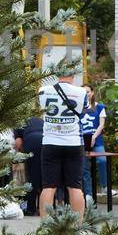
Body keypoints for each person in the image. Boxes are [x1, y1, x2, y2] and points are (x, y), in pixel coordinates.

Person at [37, 73, 86, 217]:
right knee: (75, 187)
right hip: (73, 142)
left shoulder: (43, 90)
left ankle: (46, 227)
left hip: (50, 141)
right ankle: (77, 227)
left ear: (57, 73)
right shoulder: (81, 92)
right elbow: (83, 111)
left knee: (48, 187)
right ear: (74, 75)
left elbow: (40, 111)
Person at [79, 85, 107, 205]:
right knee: (85, 167)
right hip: (82, 141)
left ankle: (104, 186)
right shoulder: (78, 108)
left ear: (92, 92)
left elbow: (101, 125)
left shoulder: (99, 107)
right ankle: (89, 194)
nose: (86, 94)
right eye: (84, 92)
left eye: (88, 92)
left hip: (96, 139)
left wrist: (93, 137)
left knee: (102, 160)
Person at [14, 114, 44, 215]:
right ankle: (44, 208)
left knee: (33, 175)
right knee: (45, 175)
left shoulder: (18, 123)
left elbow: (18, 143)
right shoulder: (40, 120)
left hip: (32, 141)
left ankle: (31, 209)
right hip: (46, 140)